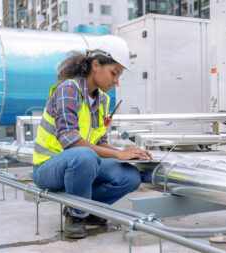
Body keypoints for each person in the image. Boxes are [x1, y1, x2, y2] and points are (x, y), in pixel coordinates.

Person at [32, 35, 152, 239]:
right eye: (114, 73)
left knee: (130, 176)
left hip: (81, 162)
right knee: (83, 156)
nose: (116, 81)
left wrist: (126, 153)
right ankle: (76, 214)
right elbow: (71, 142)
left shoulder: (103, 100)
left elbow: (100, 142)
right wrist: (118, 155)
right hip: (48, 167)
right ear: (95, 65)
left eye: (119, 76)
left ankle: (90, 209)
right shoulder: (68, 90)